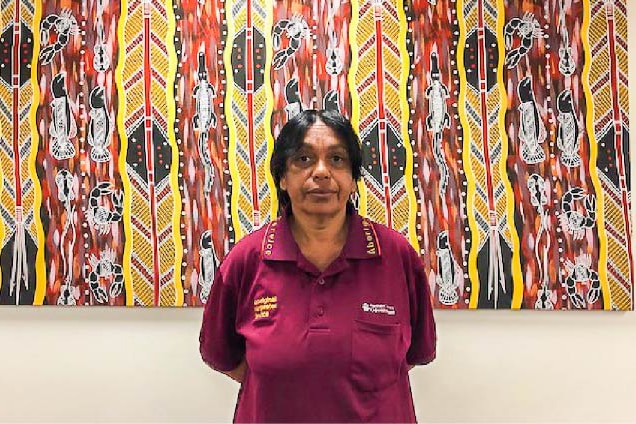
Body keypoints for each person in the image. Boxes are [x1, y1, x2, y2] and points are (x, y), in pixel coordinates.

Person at [199, 110, 436, 422]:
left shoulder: (396, 256)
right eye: (303, 159)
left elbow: (414, 353)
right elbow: (222, 356)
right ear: (282, 177)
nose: (321, 172)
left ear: (353, 180)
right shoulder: (246, 260)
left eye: (337, 159)